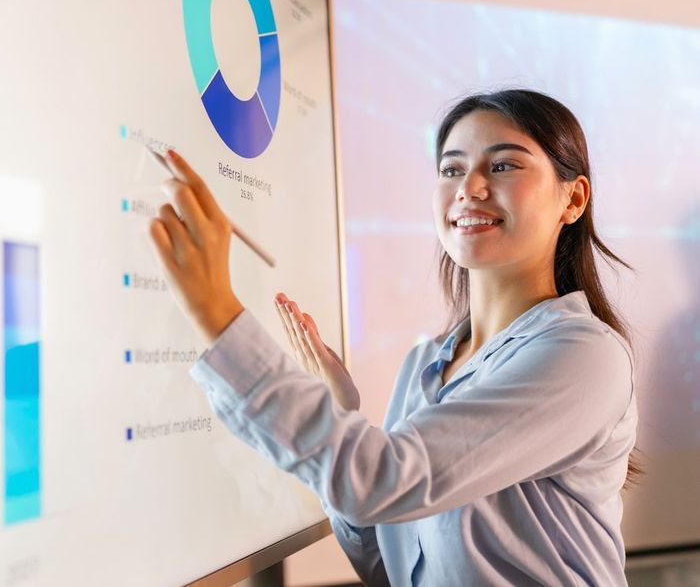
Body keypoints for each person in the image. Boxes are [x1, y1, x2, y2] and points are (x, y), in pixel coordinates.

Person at [146, 89, 638, 586]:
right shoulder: (427, 361)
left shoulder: (583, 354)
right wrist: (339, 410)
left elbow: (383, 480)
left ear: (572, 200)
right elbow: (388, 569)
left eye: (504, 166)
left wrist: (217, 312)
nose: (469, 187)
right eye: (451, 169)